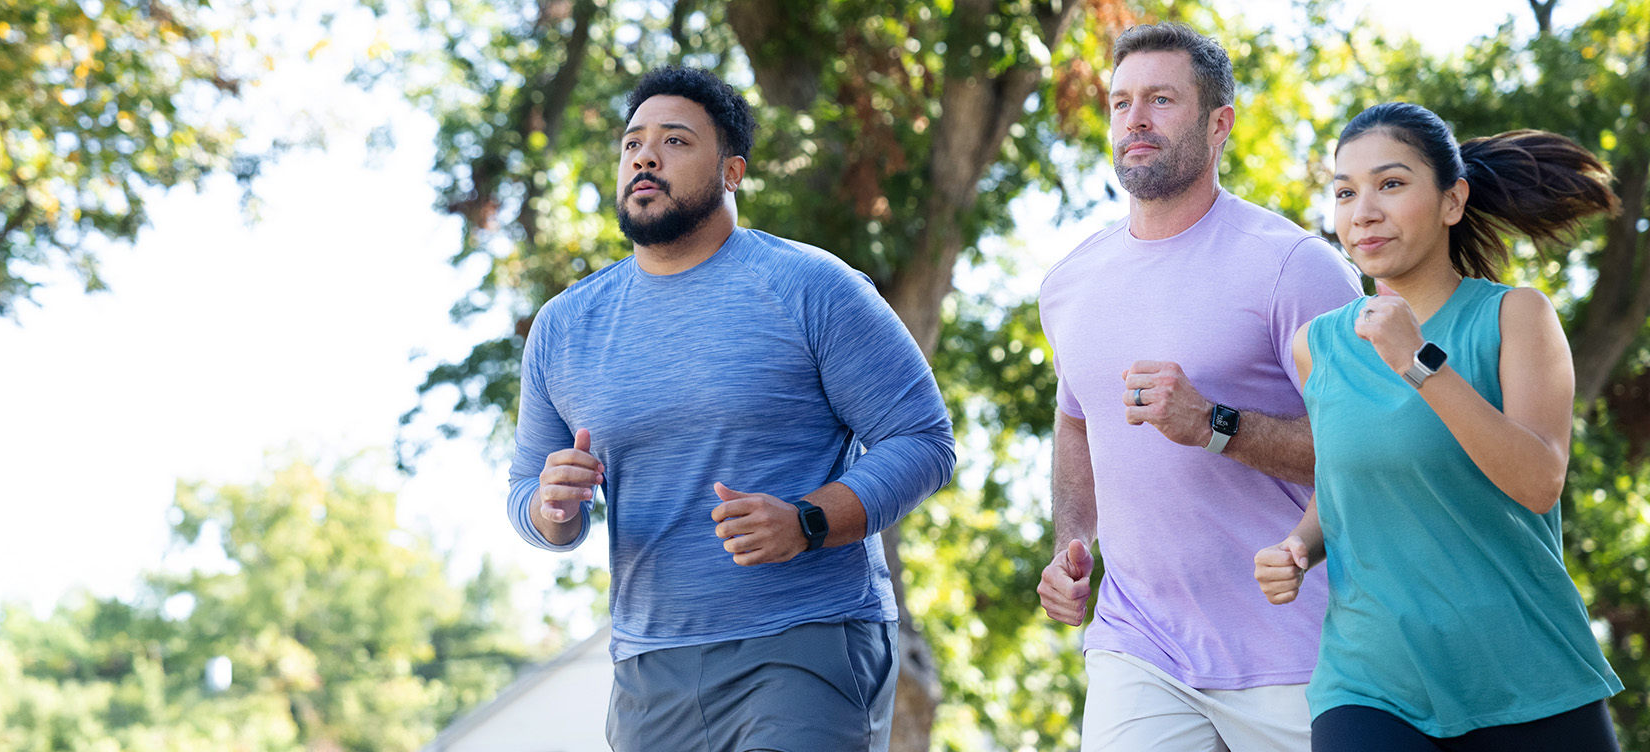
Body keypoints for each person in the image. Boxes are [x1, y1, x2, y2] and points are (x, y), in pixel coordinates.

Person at [505, 65, 955, 752]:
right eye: (632, 144)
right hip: (648, 669)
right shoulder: (564, 326)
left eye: (675, 141)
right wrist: (551, 508)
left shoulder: (812, 287)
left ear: (733, 171)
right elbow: (526, 496)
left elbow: (923, 439)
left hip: (805, 641)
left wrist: (807, 521)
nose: (646, 157)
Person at [1253, 101, 1624, 751]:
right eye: (1346, 192)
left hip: (1528, 680)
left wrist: (1419, 362)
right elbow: (1344, 483)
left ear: (1453, 201)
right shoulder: (1316, 345)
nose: (1364, 211)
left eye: (1391, 184)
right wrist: (1299, 547)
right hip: (1369, 686)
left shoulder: (1517, 318)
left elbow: (1539, 481)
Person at [1035, 22, 1362, 751]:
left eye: (1161, 99)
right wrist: (1072, 542)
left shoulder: (1295, 268)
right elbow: (1077, 421)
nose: (1135, 119)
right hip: (1138, 644)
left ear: (1220, 124)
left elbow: (1366, 449)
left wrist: (1215, 424)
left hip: (1294, 646)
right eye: (1121, 102)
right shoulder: (1069, 283)